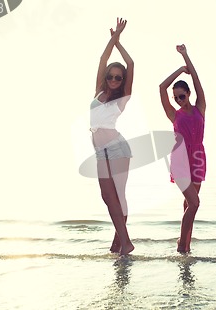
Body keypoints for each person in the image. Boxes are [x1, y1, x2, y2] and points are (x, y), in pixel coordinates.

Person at [90, 18, 134, 255]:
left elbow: (130, 62)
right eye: (111, 76)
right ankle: (120, 243)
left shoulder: (122, 97)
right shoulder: (98, 90)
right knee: (107, 197)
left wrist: (119, 40)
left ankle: (124, 243)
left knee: (117, 195)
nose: (114, 80)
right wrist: (112, 38)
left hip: (117, 148)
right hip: (100, 150)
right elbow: (102, 60)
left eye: (119, 77)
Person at [159, 44, 206, 253]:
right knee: (195, 203)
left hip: (198, 158)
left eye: (182, 96)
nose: (178, 100)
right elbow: (161, 87)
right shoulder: (174, 115)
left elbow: (197, 81)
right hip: (180, 160)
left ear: (188, 93)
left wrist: (187, 57)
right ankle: (181, 244)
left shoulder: (200, 109)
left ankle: (187, 247)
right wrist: (179, 68)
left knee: (189, 205)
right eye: (176, 97)